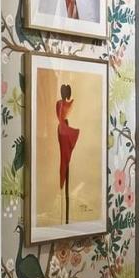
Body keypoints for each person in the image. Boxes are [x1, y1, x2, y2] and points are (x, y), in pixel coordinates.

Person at [56, 83, 80, 224]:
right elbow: (62, 117)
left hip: (64, 131)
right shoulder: (61, 104)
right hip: (63, 132)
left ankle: (66, 219)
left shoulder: (62, 104)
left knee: (65, 161)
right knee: (64, 160)